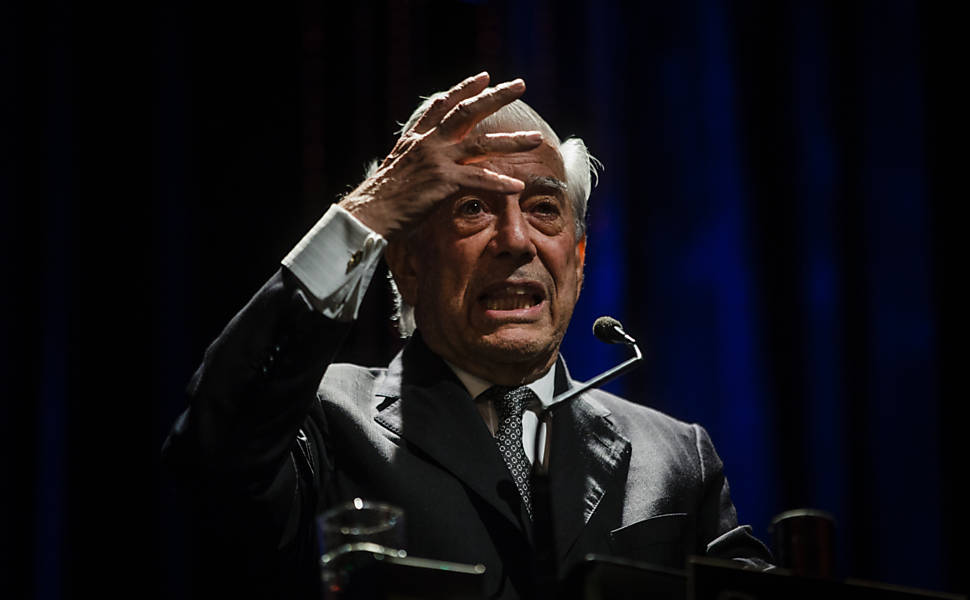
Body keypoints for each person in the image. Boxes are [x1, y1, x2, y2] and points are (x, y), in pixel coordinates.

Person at [163, 72, 771, 599]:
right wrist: (364, 218)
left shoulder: (675, 457)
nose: (515, 240)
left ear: (579, 258)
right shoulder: (325, 420)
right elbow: (214, 455)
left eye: (543, 208)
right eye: (473, 208)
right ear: (404, 263)